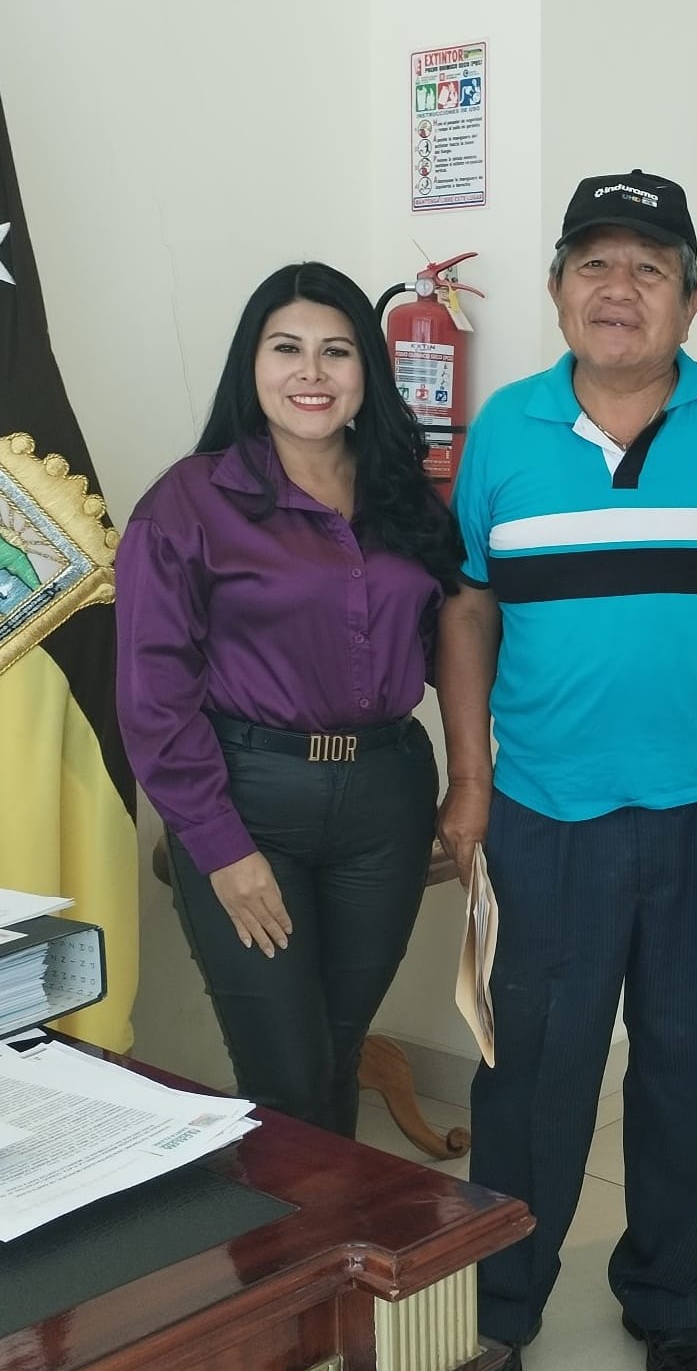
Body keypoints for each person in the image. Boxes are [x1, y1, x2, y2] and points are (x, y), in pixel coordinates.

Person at [438, 170, 697, 1371]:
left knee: (689, 1065)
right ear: (557, 289)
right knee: (530, 1075)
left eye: (649, 268)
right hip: (548, 809)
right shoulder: (506, 430)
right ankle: (500, 1308)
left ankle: (667, 1295)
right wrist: (470, 779)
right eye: (595, 264)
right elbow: (469, 612)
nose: (620, 289)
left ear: (689, 300)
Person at [116, 262, 460, 1135]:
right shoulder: (188, 502)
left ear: (366, 371)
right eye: (287, 348)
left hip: (385, 797)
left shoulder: (406, 497)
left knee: (336, 1053)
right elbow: (154, 697)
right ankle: (288, 1224)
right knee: (286, 1075)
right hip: (248, 799)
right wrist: (221, 847)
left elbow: (452, 645)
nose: (312, 371)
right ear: (253, 364)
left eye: (336, 351)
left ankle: (327, 1224)